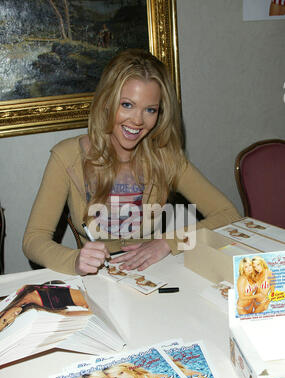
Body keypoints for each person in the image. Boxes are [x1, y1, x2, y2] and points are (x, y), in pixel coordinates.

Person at [23, 49, 240, 276]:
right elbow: (33, 238)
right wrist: (74, 260)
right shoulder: (67, 157)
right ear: (107, 101)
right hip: (98, 279)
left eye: (150, 110)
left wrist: (168, 243)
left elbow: (228, 214)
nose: (137, 121)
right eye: (127, 105)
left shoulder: (166, 158)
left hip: (156, 276)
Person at [0, 282, 92, 332]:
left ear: (2, 313)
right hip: (85, 309)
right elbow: (66, 314)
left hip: (88, 297)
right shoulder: (30, 309)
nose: (11, 319)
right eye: (7, 324)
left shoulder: (23, 291)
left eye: (4, 320)